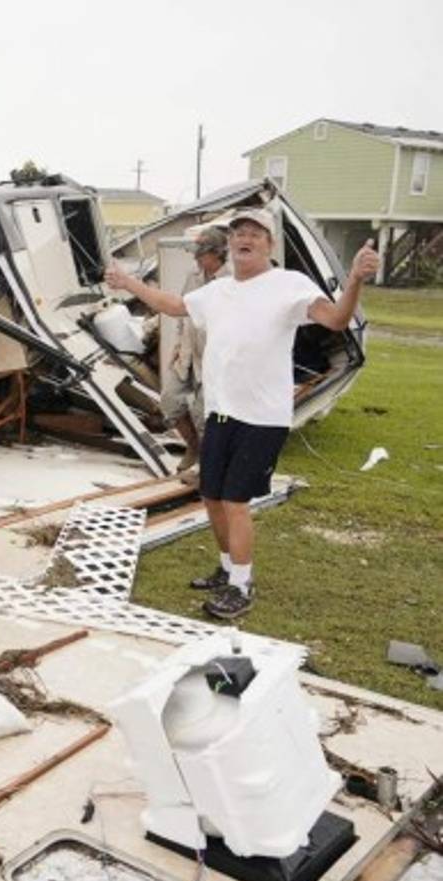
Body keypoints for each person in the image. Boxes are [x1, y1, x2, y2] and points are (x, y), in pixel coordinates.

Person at [104, 208, 380, 619]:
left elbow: (337, 320)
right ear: (229, 243)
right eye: (237, 233)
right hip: (220, 412)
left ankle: (242, 586)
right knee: (212, 496)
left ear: (269, 244)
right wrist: (128, 283)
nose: (243, 238)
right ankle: (228, 567)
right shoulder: (218, 290)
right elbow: (175, 305)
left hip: (262, 417)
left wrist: (355, 280)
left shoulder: (289, 285)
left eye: (254, 232)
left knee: (235, 500)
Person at [163, 227, 230, 473]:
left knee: (205, 415)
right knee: (170, 402)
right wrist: (178, 343)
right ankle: (194, 447)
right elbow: (182, 310)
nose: (196, 258)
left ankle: (208, 467)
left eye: (201, 254)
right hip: (188, 352)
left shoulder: (231, 281)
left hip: (213, 357)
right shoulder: (193, 275)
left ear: (217, 253)